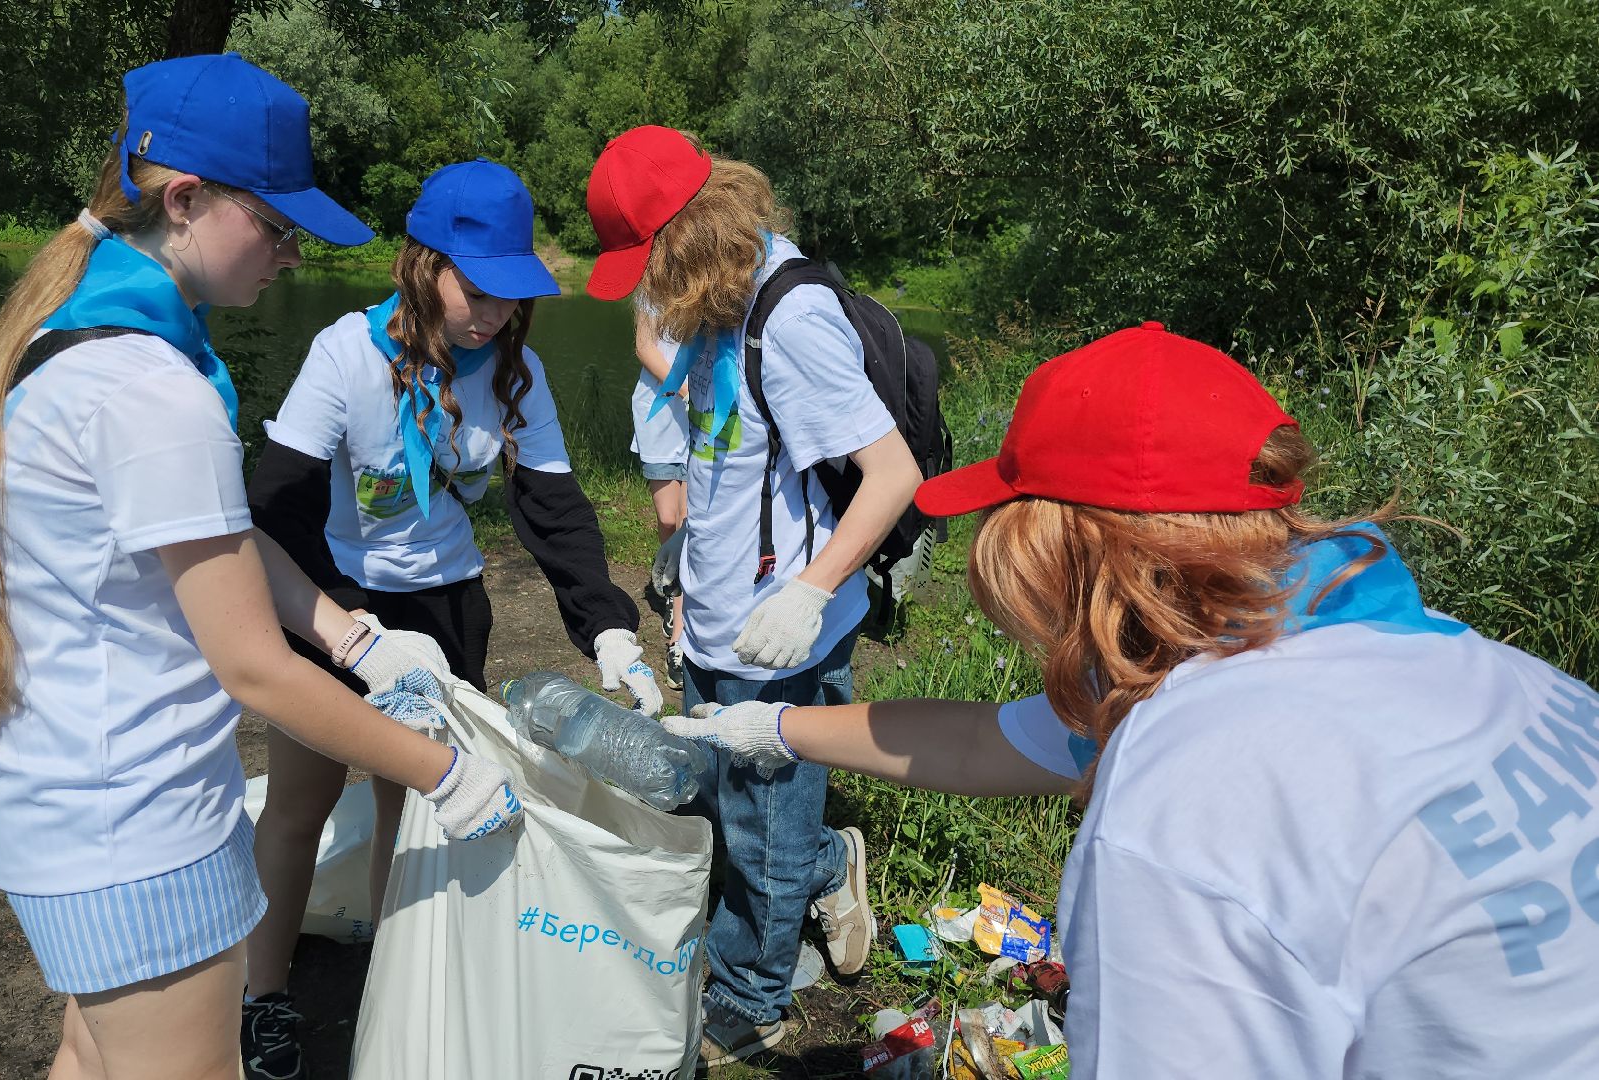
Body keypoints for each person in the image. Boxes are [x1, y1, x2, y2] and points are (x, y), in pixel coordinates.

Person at [664, 322, 1599, 1077]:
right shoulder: (1476, 672)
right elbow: (984, 742)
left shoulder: (1195, 793)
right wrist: (771, 727)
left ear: (1061, 546)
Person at [0, 56, 521, 1080]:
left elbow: (224, 537)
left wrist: (350, 633)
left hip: (66, 801)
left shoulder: (83, 336)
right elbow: (252, 670)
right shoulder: (152, 388)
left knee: (89, 1055)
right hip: (133, 825)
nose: (287, 255)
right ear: (185, 200)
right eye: (275, 226)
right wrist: (445, 772)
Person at [241, 158, 663, 1079]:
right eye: (474, 290)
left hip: (444, 606)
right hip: (334, 599)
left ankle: (404, 982)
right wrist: (349, 628)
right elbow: (272, 509)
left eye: (510, 297)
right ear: (422, 265)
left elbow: (554, 508)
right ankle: (263, 996)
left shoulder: (517, 371)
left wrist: (608, 629)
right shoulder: (345, 355)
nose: (492, 314)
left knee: (425, 798)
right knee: (301, 803)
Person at [584, 126, 923, 1066]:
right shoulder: (714, 303)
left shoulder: (792, 315)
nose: (645, 289)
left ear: (686, 238)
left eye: (644, 263)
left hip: (782, 632)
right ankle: (825, 859)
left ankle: (752, 998)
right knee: (731, 805)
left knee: (761, 831)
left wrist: (810, 594)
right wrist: (686, 581)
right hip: (717, 613)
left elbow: (891, 472)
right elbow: (723, 450)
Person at [630, 304, 691, 689]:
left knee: (690, 522)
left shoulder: (712, 278)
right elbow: (645, 347)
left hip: (709, 414)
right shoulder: (650, 288)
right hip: (661, 413)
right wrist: (686, 388)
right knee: (669, 521)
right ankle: (673, 592)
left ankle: (680, 638)